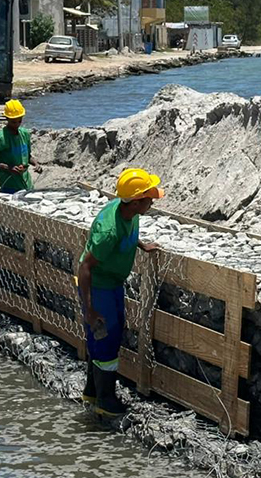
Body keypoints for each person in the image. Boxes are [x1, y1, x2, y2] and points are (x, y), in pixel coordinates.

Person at [77, 168, 164, 415]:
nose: (152, 201)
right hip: (98, 287)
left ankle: (92, 391)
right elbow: (85, 267)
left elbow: (128, 231)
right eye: (149, 197)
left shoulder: (128, 210)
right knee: (106, 339)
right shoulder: (108, 231)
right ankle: (105, 401)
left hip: (113, 284)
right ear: (137, 201)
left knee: (106, 337)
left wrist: (142, 245)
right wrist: (90, 310)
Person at [0, 99, 42, 193]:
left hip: (27, 184)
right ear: (7, 119)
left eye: (19, 121)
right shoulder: (1, 138)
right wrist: (6, 167)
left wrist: (36, 164)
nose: (17, 124)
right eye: (13, 122)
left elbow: (27, 156)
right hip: (9, 185)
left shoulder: (25, 134)